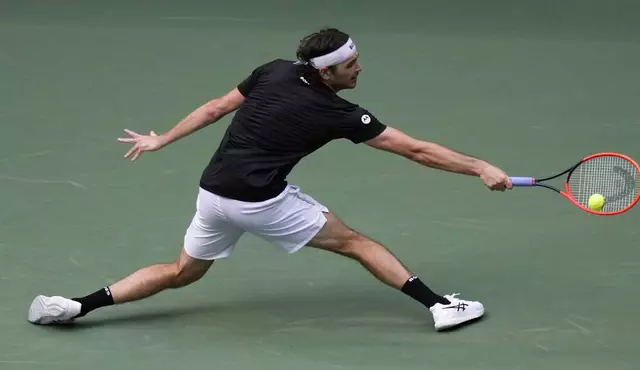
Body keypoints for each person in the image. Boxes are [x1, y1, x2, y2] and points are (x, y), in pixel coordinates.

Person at [27, 27, 511, 331]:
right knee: (357, 244)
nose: (359, 68)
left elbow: (217, 108)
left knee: (182, 273)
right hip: (260, 202)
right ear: (325, 73)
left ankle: (76, 305)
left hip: (212, 193)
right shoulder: (339, 114)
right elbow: (416, 150)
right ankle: (441, 306)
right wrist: (480, 167)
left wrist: (164, 139)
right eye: (350, 65)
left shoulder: (275, 70)